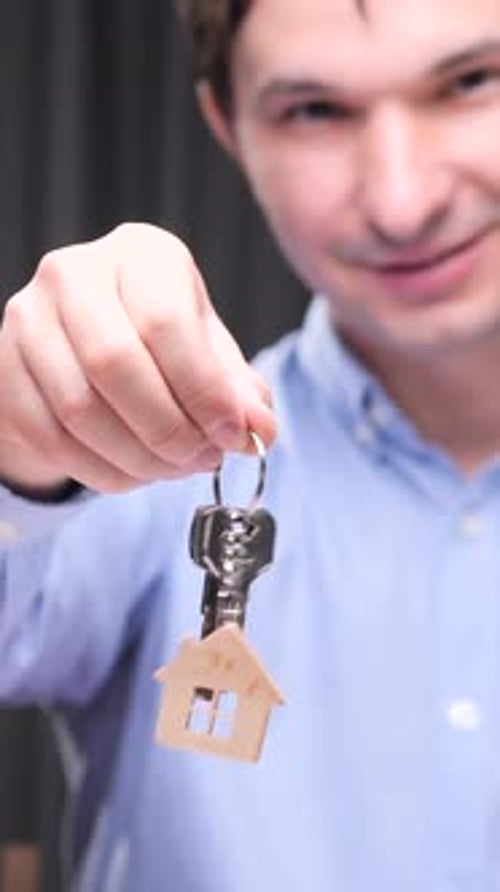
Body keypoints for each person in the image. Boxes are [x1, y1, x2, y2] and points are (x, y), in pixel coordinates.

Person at [1, 0, 500, 888]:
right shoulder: (137, 464)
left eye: (471, 82)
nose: (401, 201)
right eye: (314, 110)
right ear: (227, 127)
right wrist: (23, 455)